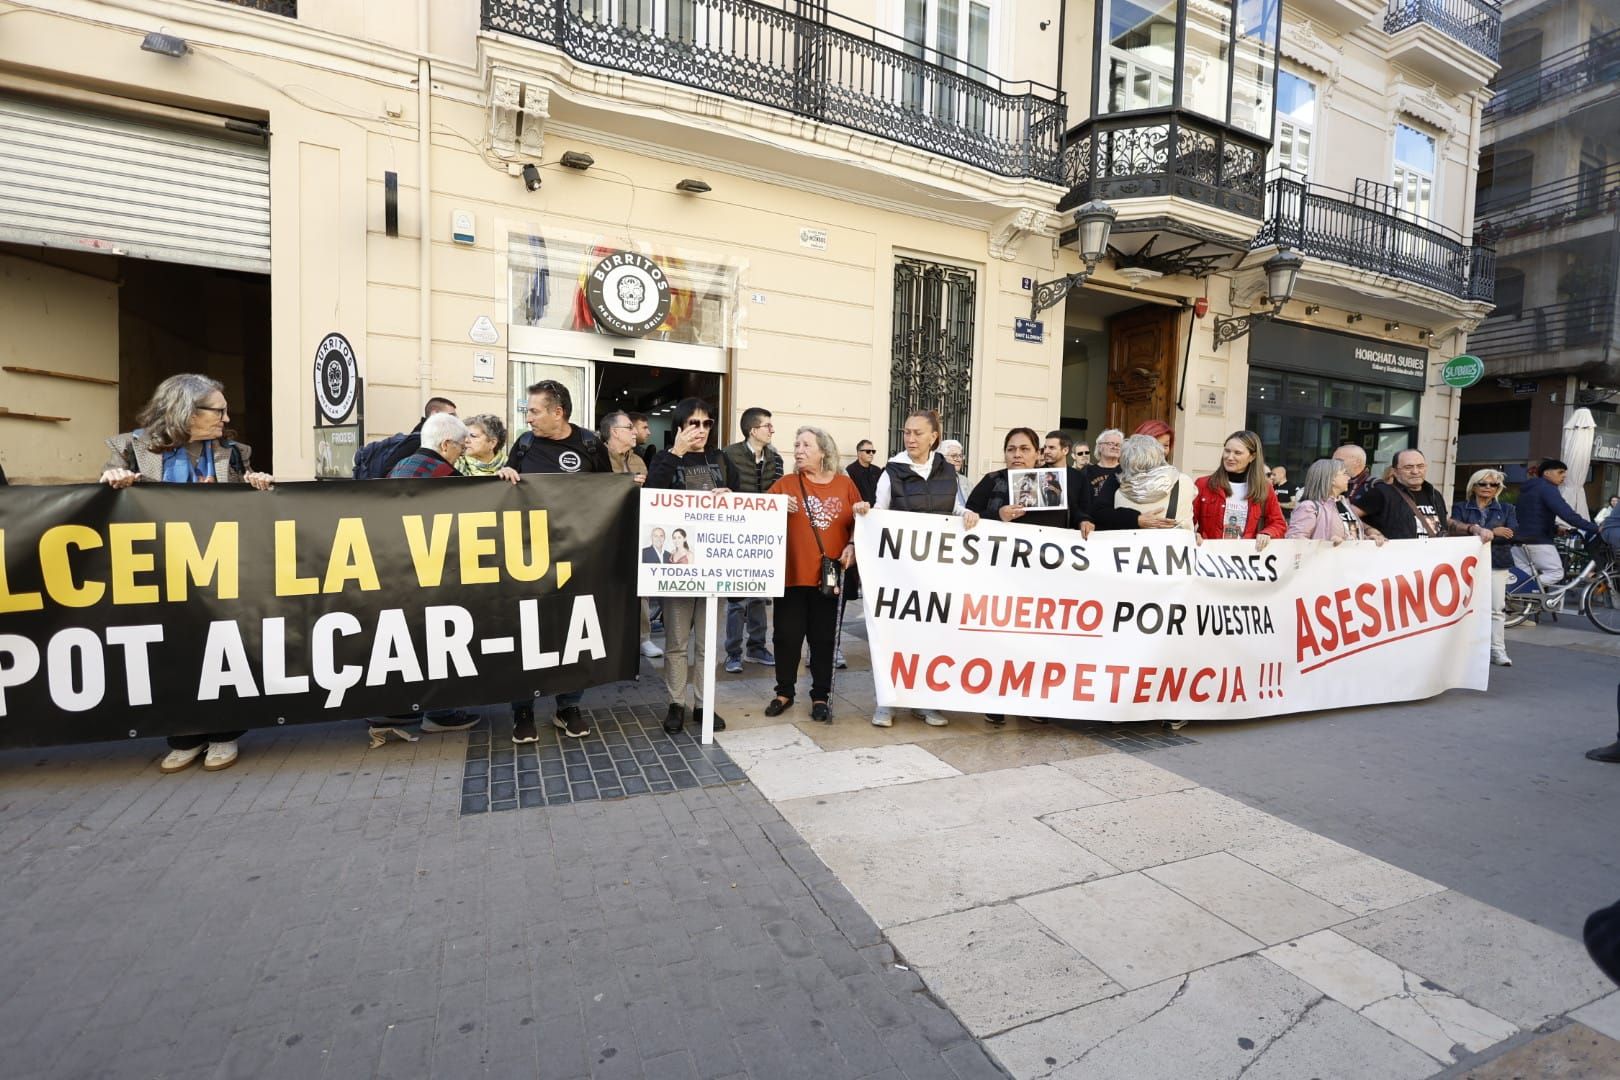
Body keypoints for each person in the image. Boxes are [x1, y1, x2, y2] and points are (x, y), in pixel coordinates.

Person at [101, 374, 275, 774]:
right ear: (185, 410)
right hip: (158, 572)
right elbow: (104, 494)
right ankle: (183, 736)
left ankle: (223, 733)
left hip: (216, 575)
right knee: (170, 651)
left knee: (219, 649)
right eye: (218, 409)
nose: (226, 417)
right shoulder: (131, 449)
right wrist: (111, 482)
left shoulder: (232, 453)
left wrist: (258, 484)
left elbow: (246, 506)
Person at [359, 411, 486, 746]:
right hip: (432, 578)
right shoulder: (441, 475)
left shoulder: (402, 466)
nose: (462, 452)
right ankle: (438, 714)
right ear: (445, 444)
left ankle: (395, 714)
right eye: (460, 446)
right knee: (438, 644)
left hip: (398, 576)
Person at [498, 380, 611, 742]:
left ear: (557, 412)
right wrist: (502, 477)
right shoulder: (525, 444)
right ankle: (523, 711)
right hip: (527, 559)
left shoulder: (591, 444)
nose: (527, 418)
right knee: (526, 634)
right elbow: (501, 494)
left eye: (533, 411)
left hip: (576, 559)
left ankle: (568, 707)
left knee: (572, 633)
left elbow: (607, 494)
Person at [855, 409, 979, 728]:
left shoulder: (947, 471)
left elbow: (955, 506)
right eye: (907, 432)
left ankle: (925, 702)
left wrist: (967, 514)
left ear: (933, 437)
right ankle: (887, 702)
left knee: (930, 638)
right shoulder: (892, 471)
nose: (910, 438)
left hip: (935, 572)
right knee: (894, 637)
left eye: (917, 433)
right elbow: (880, 510)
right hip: (898, 571)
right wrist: (866, 512)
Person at [646, 397, 742, 735]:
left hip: (714, 565)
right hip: (678, 567)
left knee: (708, 643)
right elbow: (651, 494)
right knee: (675, 641)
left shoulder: (722, 459)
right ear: (680, 426)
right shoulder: (663, 458)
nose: (700, 430)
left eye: (706, 424)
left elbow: (743, 504)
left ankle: (704, 703)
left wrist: (731, 495)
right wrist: (676, 453)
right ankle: (676, 702)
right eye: (693, 423)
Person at [763, 426, 859, 723]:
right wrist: (776, 507)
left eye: (805, 444)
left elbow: (860, 521)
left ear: (823, 452)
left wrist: (853, 545)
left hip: (829, 579)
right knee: (786, 637)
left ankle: (820, 696)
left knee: (823, 639)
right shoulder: (786, 483)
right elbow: (758, 516)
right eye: (796, 444)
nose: (798, 449)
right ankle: (784, 692)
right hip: (791, 576)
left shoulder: (845, 485)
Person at [721, 407, 782, 673]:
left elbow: (778, 491)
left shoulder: (775, 457)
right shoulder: (729, 455)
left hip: (763, 535)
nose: (772, 430)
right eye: (767, 425)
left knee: (759, 594)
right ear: (753, 430)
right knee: (737, 600)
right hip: (735, 535)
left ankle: (757, 647)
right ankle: (733, 652)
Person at [605, 411, 661, 660]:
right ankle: (608, 637)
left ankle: (643, 638)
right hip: (606, 532)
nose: (636, 432)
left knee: (642, 587)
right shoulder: (597, 457)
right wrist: (624, 484)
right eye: (630, 427)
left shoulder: (638, 460)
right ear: (614, 432)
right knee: (609, 587)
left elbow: (650, 494)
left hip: (637, 528)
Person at [966, 427, 1093, 536]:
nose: (1017, 454)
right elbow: (969, 515)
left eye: (1024, 449)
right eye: (1011, 449)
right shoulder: (992, 480)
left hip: (1046, 557)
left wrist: (1084, 521)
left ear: (1038, 454)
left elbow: (1073, 512)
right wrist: (998, 515)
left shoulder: (1051, 479)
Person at [1452, 469, 1518, 667]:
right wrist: (1491, 532)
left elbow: (1512, 533)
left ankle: (1497, 649)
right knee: (1463, 607)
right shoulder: (1461, 507)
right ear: (1473, 485)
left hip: (1497, 562)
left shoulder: (1507, 509)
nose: (1488, 488)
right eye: (1483, 483)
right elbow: (1454, 532)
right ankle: (1461, 650)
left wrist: (1492, 534)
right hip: (1466, 563)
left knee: (1496, 608)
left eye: (1494, 485)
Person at [1356, 449, 1492, 544]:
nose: (1415, 471)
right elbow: (1346, 516)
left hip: (1430, 570)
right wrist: (1370, 531)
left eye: (1420, 466)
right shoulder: (1381, 492)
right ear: (1395, 472)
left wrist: (1472, 528)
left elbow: (1444, 522)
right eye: (1408, 467)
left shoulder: (1434, 493)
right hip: (1397, 569)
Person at [1191, 430, 1286, 549]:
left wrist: (1267, 533)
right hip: (1209, 559)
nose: (1230, 457)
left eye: (1237, 453)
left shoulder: (1265, 488)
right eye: (1227, 451)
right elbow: (1186, 520)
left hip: (1245, 560)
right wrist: (1191, 535)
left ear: (1252, 456)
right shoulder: (1203, 484)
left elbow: (1279, 524)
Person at [1512, 458, 1596, 590]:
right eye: (1560, 472)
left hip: (1518, 541)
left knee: (1526, 575)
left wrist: (1555, 528)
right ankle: (1515, 588)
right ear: (1547, 473)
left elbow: (1531, 515)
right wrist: (1595, 528)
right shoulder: (1547, 488)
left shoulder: (1528, 490)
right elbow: (1567, 514)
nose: (1563, 476)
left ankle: (1518, 599)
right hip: (1538, 541)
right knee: (1556, 573)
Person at [1093, 434, 1195, 532]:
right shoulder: (1184, 482)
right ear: (1158, 454)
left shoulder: (1119, 492)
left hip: (1130, 546)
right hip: (1177, 545)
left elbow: (1099, 514)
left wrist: (1135, 519)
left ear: (1126, 458)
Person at [1285, 458, 1386, 546]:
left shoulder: (1343, 504)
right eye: (1344, 473)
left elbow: (1351, 536)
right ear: (1331, 478)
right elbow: (1294, 540)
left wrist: (1367, 540)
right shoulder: (1309, 507)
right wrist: (1325, 545)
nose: (1349, 477)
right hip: (1325, 566)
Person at [356, 396, 457, 479]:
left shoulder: (421, 438)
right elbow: (390, 473)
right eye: (452, 416)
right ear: (434, 414)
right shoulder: (418, 441)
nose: (456, 421)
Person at [1080, 429, 1123, 502]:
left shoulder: (1126, 471)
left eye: (1118, 445)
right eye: (1110, 444)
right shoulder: (1087, 471)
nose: (1115, 447)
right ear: (1100, 447)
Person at [847, 438, 882, 503]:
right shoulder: (850, 471)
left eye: (873, 451)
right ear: (859, 453)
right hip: (858, 510)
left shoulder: (877, 471)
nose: (871, 454)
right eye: (868, 451)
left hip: (876, 510)